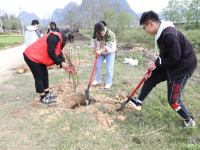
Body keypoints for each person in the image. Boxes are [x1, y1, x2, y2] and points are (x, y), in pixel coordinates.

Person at [128, 11, 197, 127]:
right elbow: (165, 54)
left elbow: (175, 57)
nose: (145, 31)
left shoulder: (169, 34)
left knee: (173, 100)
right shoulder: (161, 34)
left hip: (183, 67)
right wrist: (154, 67)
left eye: (144, 28)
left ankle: (189, 120)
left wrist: (158, 63)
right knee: (152, 77)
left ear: (151, 24)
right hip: (173, 63)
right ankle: (138, 102)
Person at [23, 29, 74, 104]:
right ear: (65, 38)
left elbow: (59, 52)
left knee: (45, 74)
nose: (68, 43)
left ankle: (46, 92)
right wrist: (61, 63)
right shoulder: (54, 38)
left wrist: (63, 62)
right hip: (32, 56)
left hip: (39, 57)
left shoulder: (59, 40)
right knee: (39, 76)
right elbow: (51, 53)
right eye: (68, 41)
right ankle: (43, 97)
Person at [91, 21, 117, 89]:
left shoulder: (110, 34)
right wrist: (94, 48)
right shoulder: (95, 33)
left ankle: (108, 83)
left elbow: (109, 46)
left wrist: (100, 51)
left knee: (109, 68)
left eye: (100, 33)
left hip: (110, 52)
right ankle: (97, 80)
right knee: (97, 66)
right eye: (97, 33)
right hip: (101, 52)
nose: (98, 35)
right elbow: (93, 40)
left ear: (103, 30)